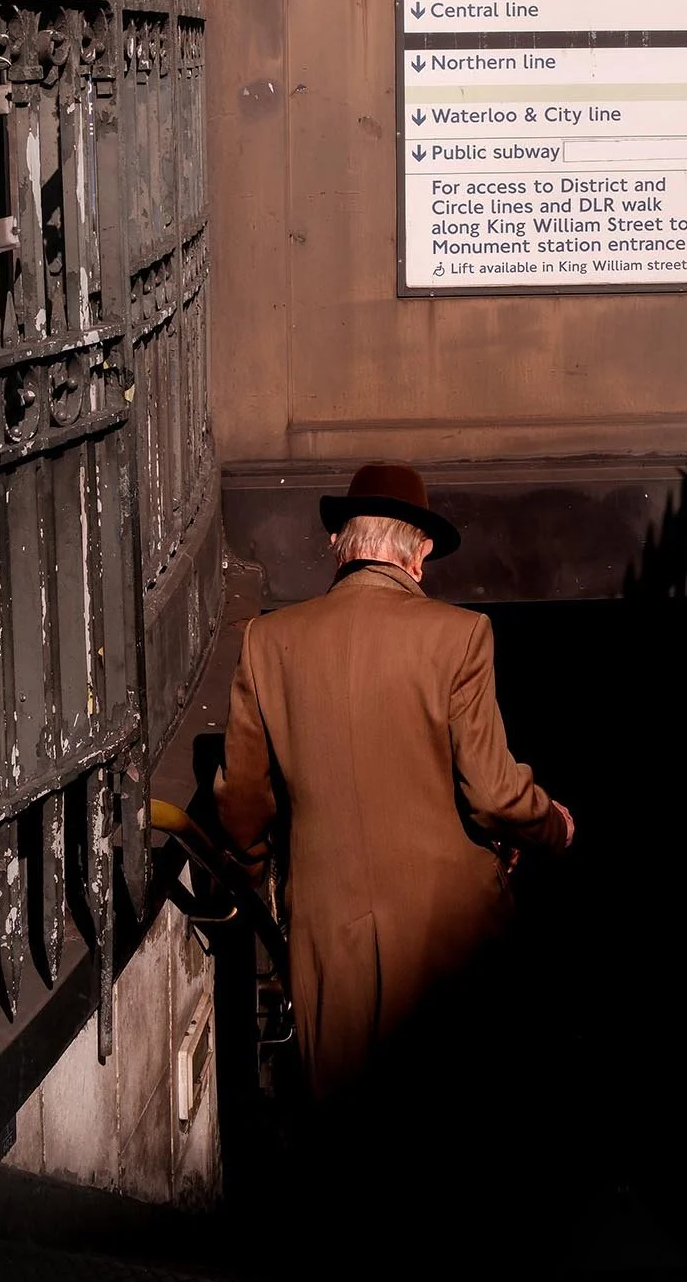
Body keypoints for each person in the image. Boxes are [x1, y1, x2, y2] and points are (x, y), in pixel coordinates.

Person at [215, 461, 574, 1103]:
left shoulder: (268, 642)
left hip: (328, 941)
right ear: (421, 551)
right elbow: (494, 797)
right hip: (450, 946)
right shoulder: (460, 636)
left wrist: (259, 875)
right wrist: (552, 825)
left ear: (338, 545)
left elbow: (243, 802)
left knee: (349, 1150)